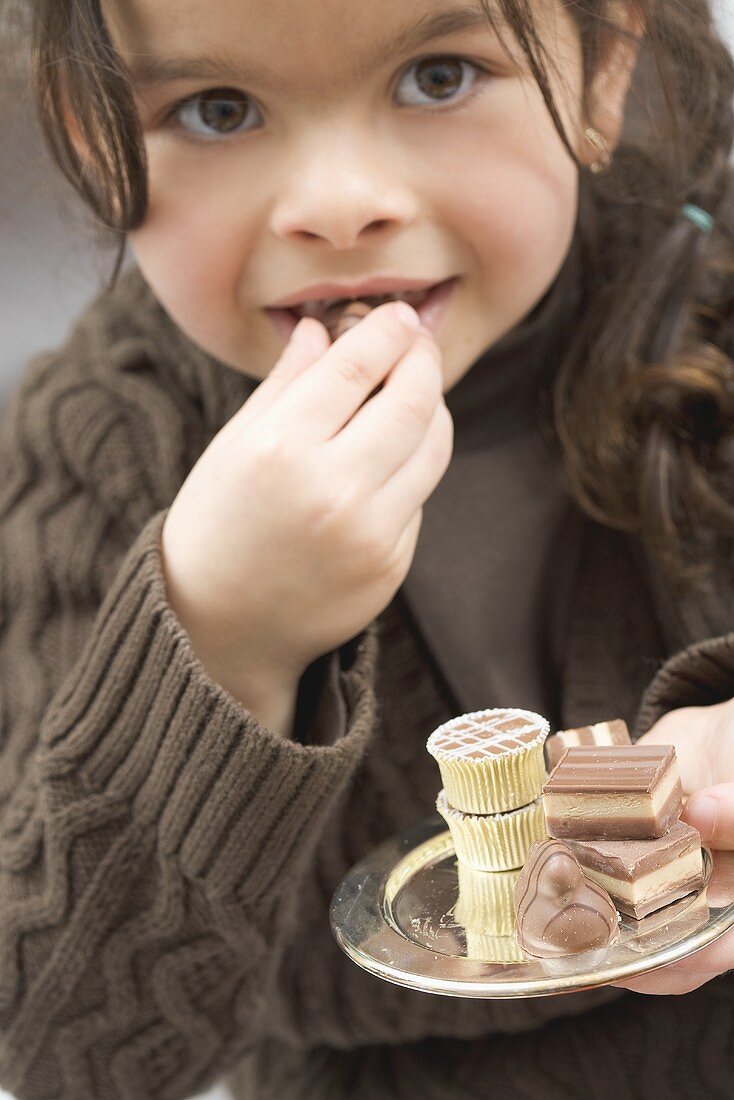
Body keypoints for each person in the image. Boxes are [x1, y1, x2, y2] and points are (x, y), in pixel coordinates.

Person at [1, 0, 733, 1097]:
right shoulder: (101, 443)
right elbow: (66, 1049)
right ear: (95, 136)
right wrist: (224, 635)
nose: (340, 206)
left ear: (602, 70)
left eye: (438, 77)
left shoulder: (710, 294)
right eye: (217, 108)